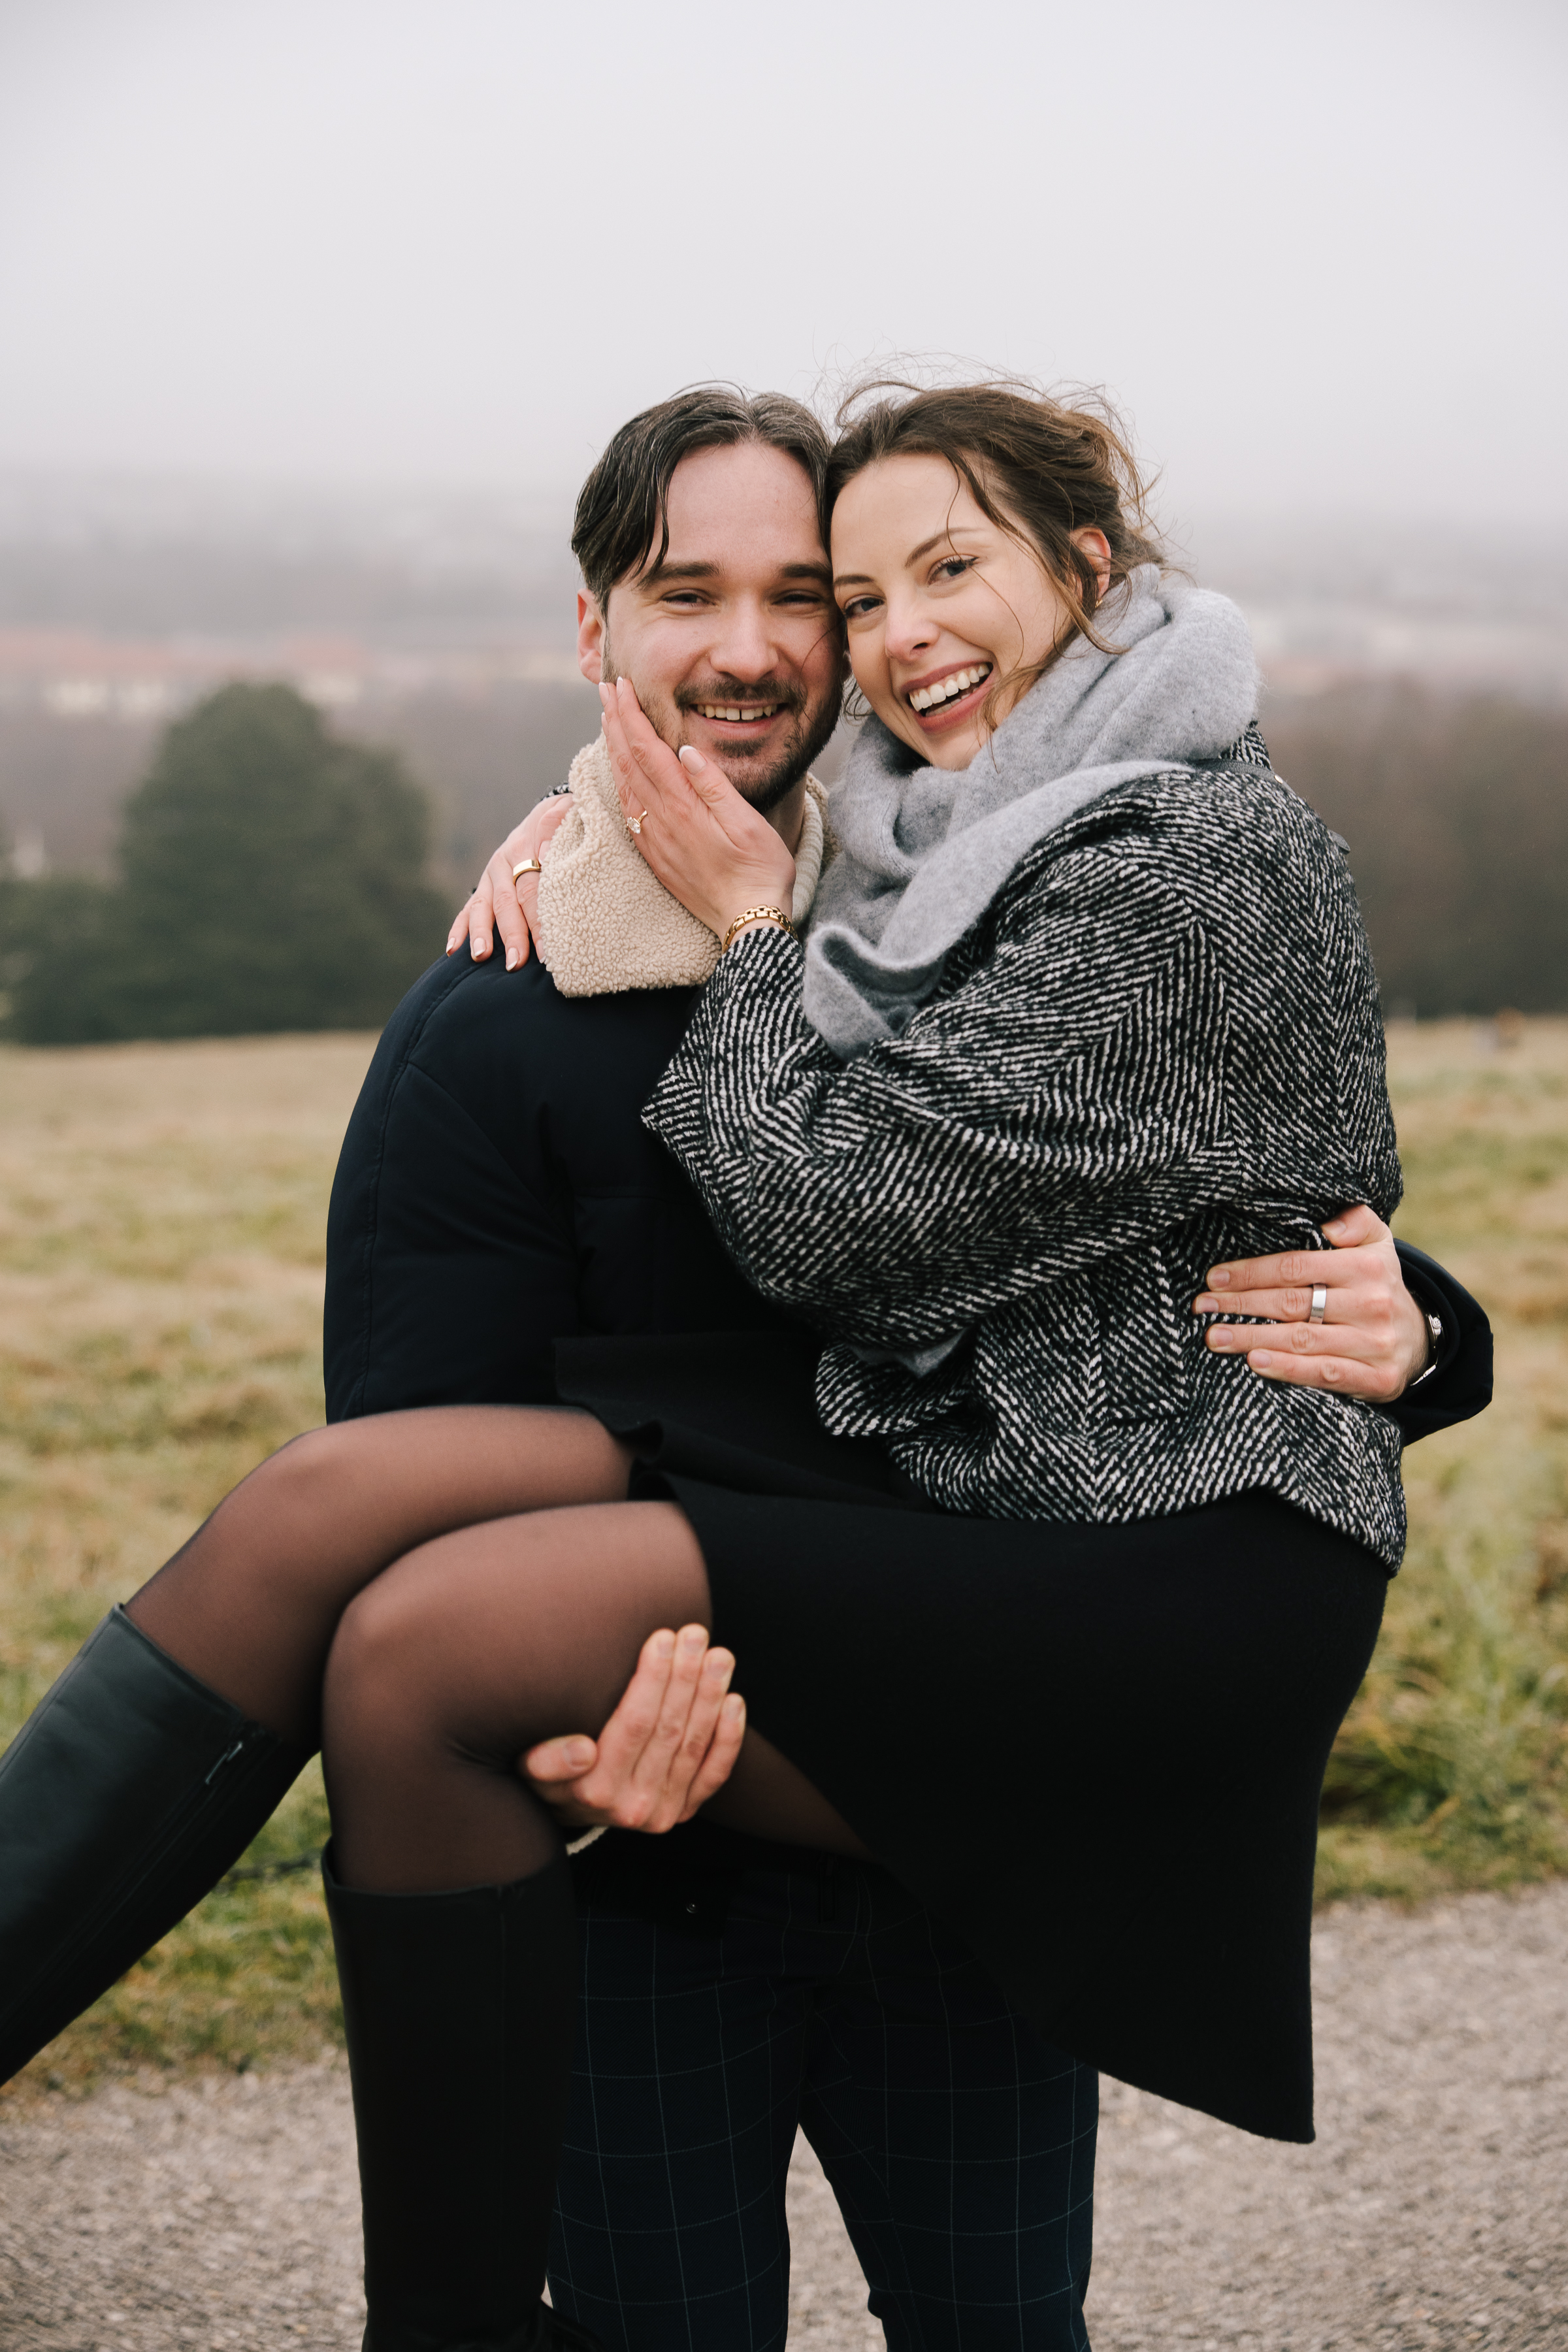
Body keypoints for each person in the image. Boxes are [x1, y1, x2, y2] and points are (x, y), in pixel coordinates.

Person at [0, 378, 1492, 2352]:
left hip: (991, 1725)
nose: (780, 645)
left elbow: (1149, 1216)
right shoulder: (512, 1018)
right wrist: (584, 1765)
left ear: (1077, 577)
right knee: (343, 1531)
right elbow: (436, 1448)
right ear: (594, 630)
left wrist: (1426, 1330)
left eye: (825, 592)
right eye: (693, 592)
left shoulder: (968, 885)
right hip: (665, 1847)